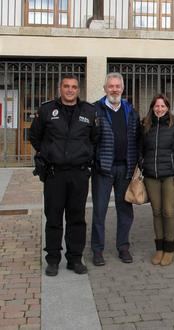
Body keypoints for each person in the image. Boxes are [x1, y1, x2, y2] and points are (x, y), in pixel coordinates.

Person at [30, 74, 98, 276]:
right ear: (60, 88)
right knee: (53, 217)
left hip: (79, 174)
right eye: (66, 86)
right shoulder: (47, 110)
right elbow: (34, 136)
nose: (70, 90)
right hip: (54, 174)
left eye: (74, 87)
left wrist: (85, 155)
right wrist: (48, 152)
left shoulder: (89, 111)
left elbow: (95, 139)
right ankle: (52, 259)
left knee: (77, 218)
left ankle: (75, 259)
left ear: (79, 90)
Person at [91, 73, 140, 266]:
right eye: (110, 86)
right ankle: (97, 250)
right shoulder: (96, 109)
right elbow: (90, 139)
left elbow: (137, 138)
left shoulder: (130, 110)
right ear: (105, 89)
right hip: (103, 169)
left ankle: (123, 247)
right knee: (99, 211)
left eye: (117, 86)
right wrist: (94, 161)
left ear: (122, 88)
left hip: (125, 169)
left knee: (125, 210)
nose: (114, 89)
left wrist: (137, 163)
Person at [140, 94, 174, 266]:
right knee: (156, 212)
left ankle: (169, 250)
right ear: (152, 107)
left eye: (163, 106)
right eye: (156, 106)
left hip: (170, 176)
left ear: (168, 108)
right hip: (151, 176)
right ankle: (159, 249)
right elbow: (140, 149)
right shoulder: (146, 126)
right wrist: (142, 164)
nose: (159, 109)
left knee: (168, 212)